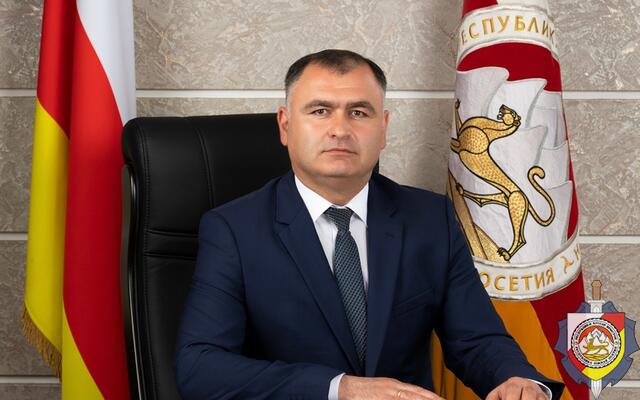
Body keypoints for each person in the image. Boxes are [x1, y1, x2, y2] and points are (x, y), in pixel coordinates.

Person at [175, 49, 563, 400]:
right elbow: (200, 368)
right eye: (320, 111)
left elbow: (477, 340)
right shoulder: (233, 230)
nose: (340, 129)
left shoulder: (431, 219)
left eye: (359, 112)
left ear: (383, 128)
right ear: (285, 125)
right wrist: (339, 389)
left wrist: (516, 380)